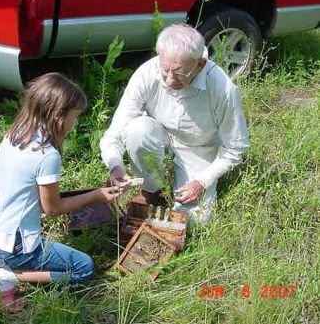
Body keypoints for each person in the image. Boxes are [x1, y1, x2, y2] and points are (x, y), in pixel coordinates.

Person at [0, 73, 123, 313]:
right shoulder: (47, 155)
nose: (74, 124)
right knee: (83, 268)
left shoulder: (15, 133)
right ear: (58, 115)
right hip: (15, 246)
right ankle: (3, 277)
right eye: (74, 117)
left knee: (20, 252)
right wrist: (95, 195)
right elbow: (53, 209)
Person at [100, 24, 249, 224]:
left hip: (199, 147)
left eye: (179, 73)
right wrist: (115, 165)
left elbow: (235, 148)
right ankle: (152, 191)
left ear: (200, 65)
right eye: (165, 70)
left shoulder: (223, 89)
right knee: (137, 131)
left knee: (194, 221)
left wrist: (202, 182)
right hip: (157, 133)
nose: (170, 80)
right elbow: (116, 130)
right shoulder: (146, 73)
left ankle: (185, 192)